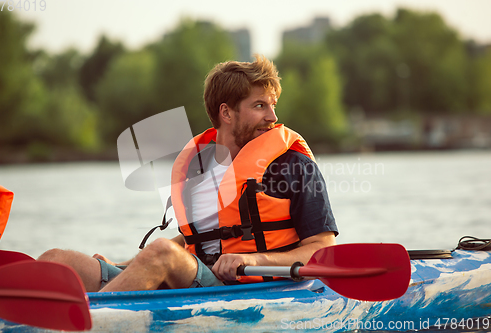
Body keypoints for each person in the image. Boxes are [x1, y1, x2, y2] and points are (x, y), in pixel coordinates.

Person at [38, 55, 338, 292]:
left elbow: (321, 250)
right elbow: (196, 239)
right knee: (57, 261)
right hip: (194, 282)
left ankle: (84, 324)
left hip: (249, 289)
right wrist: (125, 265)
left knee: (161, 253)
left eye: (272, 106)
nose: (272, 117)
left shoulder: (295, 166)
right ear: (226, 113)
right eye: (260, 106)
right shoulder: (198, 166)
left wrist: (252, 259)